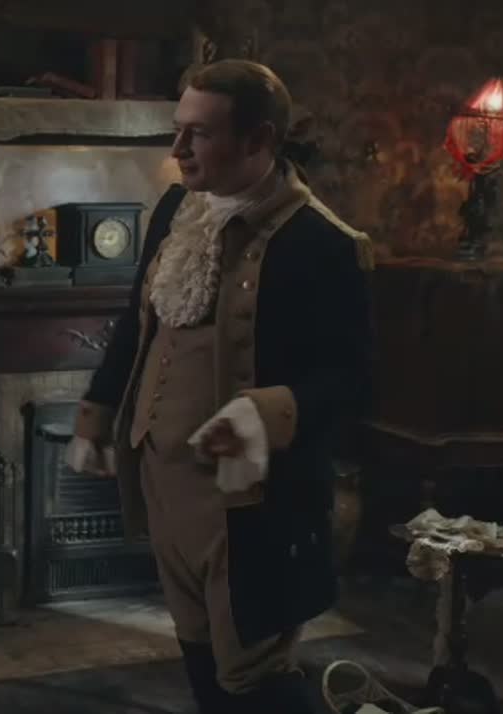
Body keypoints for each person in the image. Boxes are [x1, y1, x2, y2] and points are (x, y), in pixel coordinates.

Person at [66, 59, 373, 713]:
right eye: (178, 129)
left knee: (253, 676)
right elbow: (137, 322)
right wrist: (97, 414)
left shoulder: (321, 242)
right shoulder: (176, 207)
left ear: (259, 140)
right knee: (200, 657)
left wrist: (265, 413)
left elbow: (352, 379)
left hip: (249, 504)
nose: (177, 149)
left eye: (199, 134)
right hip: (164, 482)